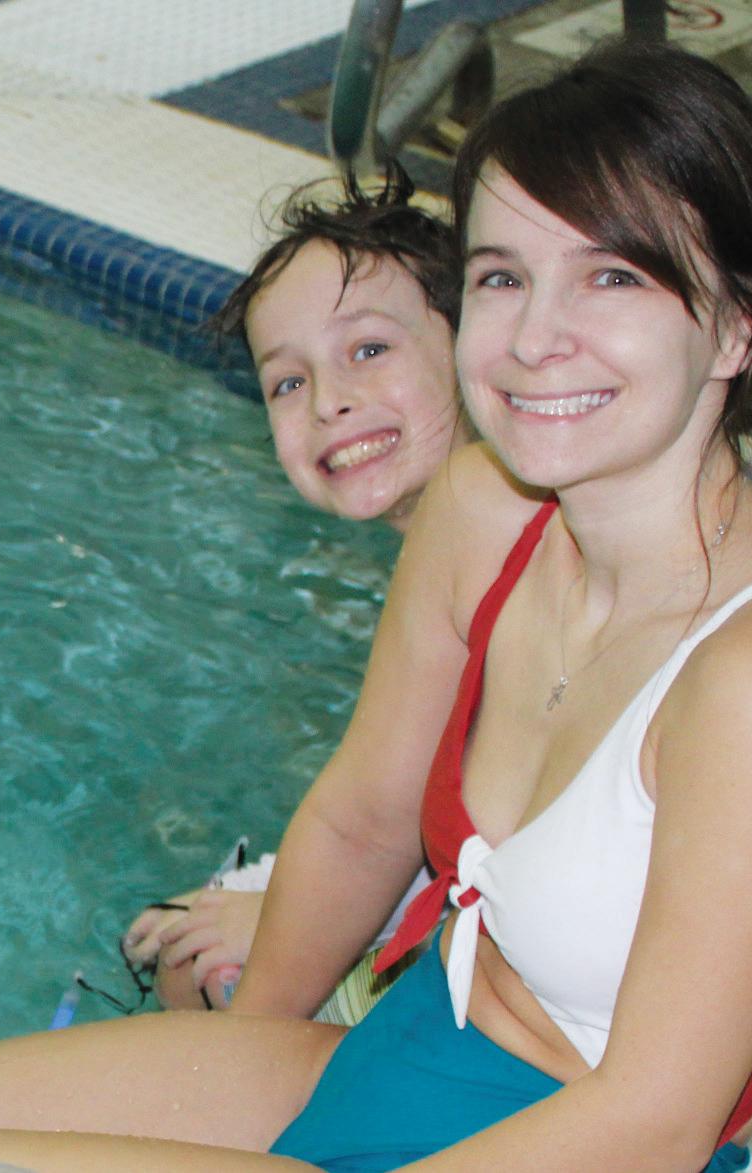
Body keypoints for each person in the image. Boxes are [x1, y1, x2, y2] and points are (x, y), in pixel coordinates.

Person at [0, 40, 752, 1173]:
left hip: (571, 1143)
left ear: (739, 323)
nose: (533, 336)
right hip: (412, 1052)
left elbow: (652, 1126)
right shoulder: (485, 512)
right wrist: (226, 1077)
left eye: (612, 277)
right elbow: (364, 821)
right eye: (502, 276)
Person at [124, 181, 469, 1013]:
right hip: (469, 903)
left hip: (518, 984)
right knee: (190, 948)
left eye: (368, 349)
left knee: (201, 968)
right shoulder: (449, 545)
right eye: (285, 382)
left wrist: (277, 926)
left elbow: (410, 829)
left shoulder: (497, 551)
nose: (326, 401)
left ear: (476, 347)